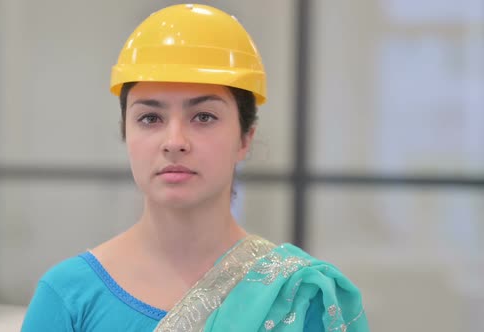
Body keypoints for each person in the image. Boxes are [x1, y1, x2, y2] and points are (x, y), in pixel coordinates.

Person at [22, 4, 369, 331]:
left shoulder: (298, 297)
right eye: (150, 118)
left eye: (204, 117)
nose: (175, 141)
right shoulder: (68, 297)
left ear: (245, 138)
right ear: (125, 133)